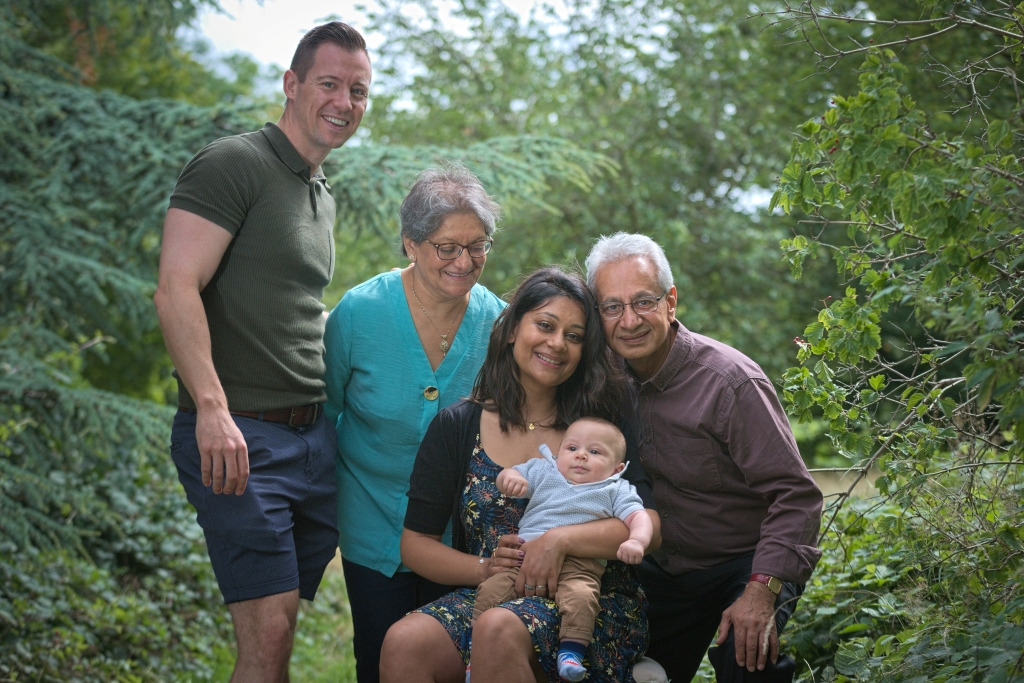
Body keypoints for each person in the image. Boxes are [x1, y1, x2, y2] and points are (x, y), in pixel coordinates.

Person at [153, 22, 372, 683]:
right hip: (239, 438)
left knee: (276, 636)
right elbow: (175, 287)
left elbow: (292, 307)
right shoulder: (234, 163)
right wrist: (212, 410)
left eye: (359, 90)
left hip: (312, 439)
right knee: (268, 639)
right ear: (291, 84)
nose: (344, 102)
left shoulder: (318, 191)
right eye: (329, 83)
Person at [379, 266, 661, 683]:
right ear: (512, 329)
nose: (557, 343)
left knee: (498, 628)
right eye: (545, 325)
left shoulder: (599, 426)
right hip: (496, 589)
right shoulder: (458, 426)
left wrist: (559, 541)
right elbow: (416, 545)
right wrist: (485, 568)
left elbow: (649, 526)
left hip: (586, 602)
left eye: (574, 336)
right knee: (404, 642)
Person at [584, 233, 824, 683]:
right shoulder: (602, 380)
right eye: (612, 307)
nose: (629, 321)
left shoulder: (731, 382)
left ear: (671, 301)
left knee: (748, 657)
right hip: (659, 565)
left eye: (643, 301)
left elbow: (796, 497)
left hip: (745, 560)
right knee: (604, 660)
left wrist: (762, 589)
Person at [323, 165, 506, 683]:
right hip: (374, 525)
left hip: (463, 540)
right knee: (379, 661)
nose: (464, 261)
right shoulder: (359, 313)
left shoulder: (502, 326)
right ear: (410, 243)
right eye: (447, 247)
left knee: (453, 669)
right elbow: (326, 413)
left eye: (477, 246)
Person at [475, 417, 654, 682]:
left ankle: (571, 653)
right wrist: (510, 479)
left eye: (595, 452)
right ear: (558, 454)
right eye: (572, 448)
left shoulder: (615, 488)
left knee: (582, 598)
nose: (581, 455)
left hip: (579, 565)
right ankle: (474, 652)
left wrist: (637, 540)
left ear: (617, 468)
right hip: (525, 559)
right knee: (490, 590)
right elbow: (510, 473)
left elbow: (640, 517)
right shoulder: (545, 471)